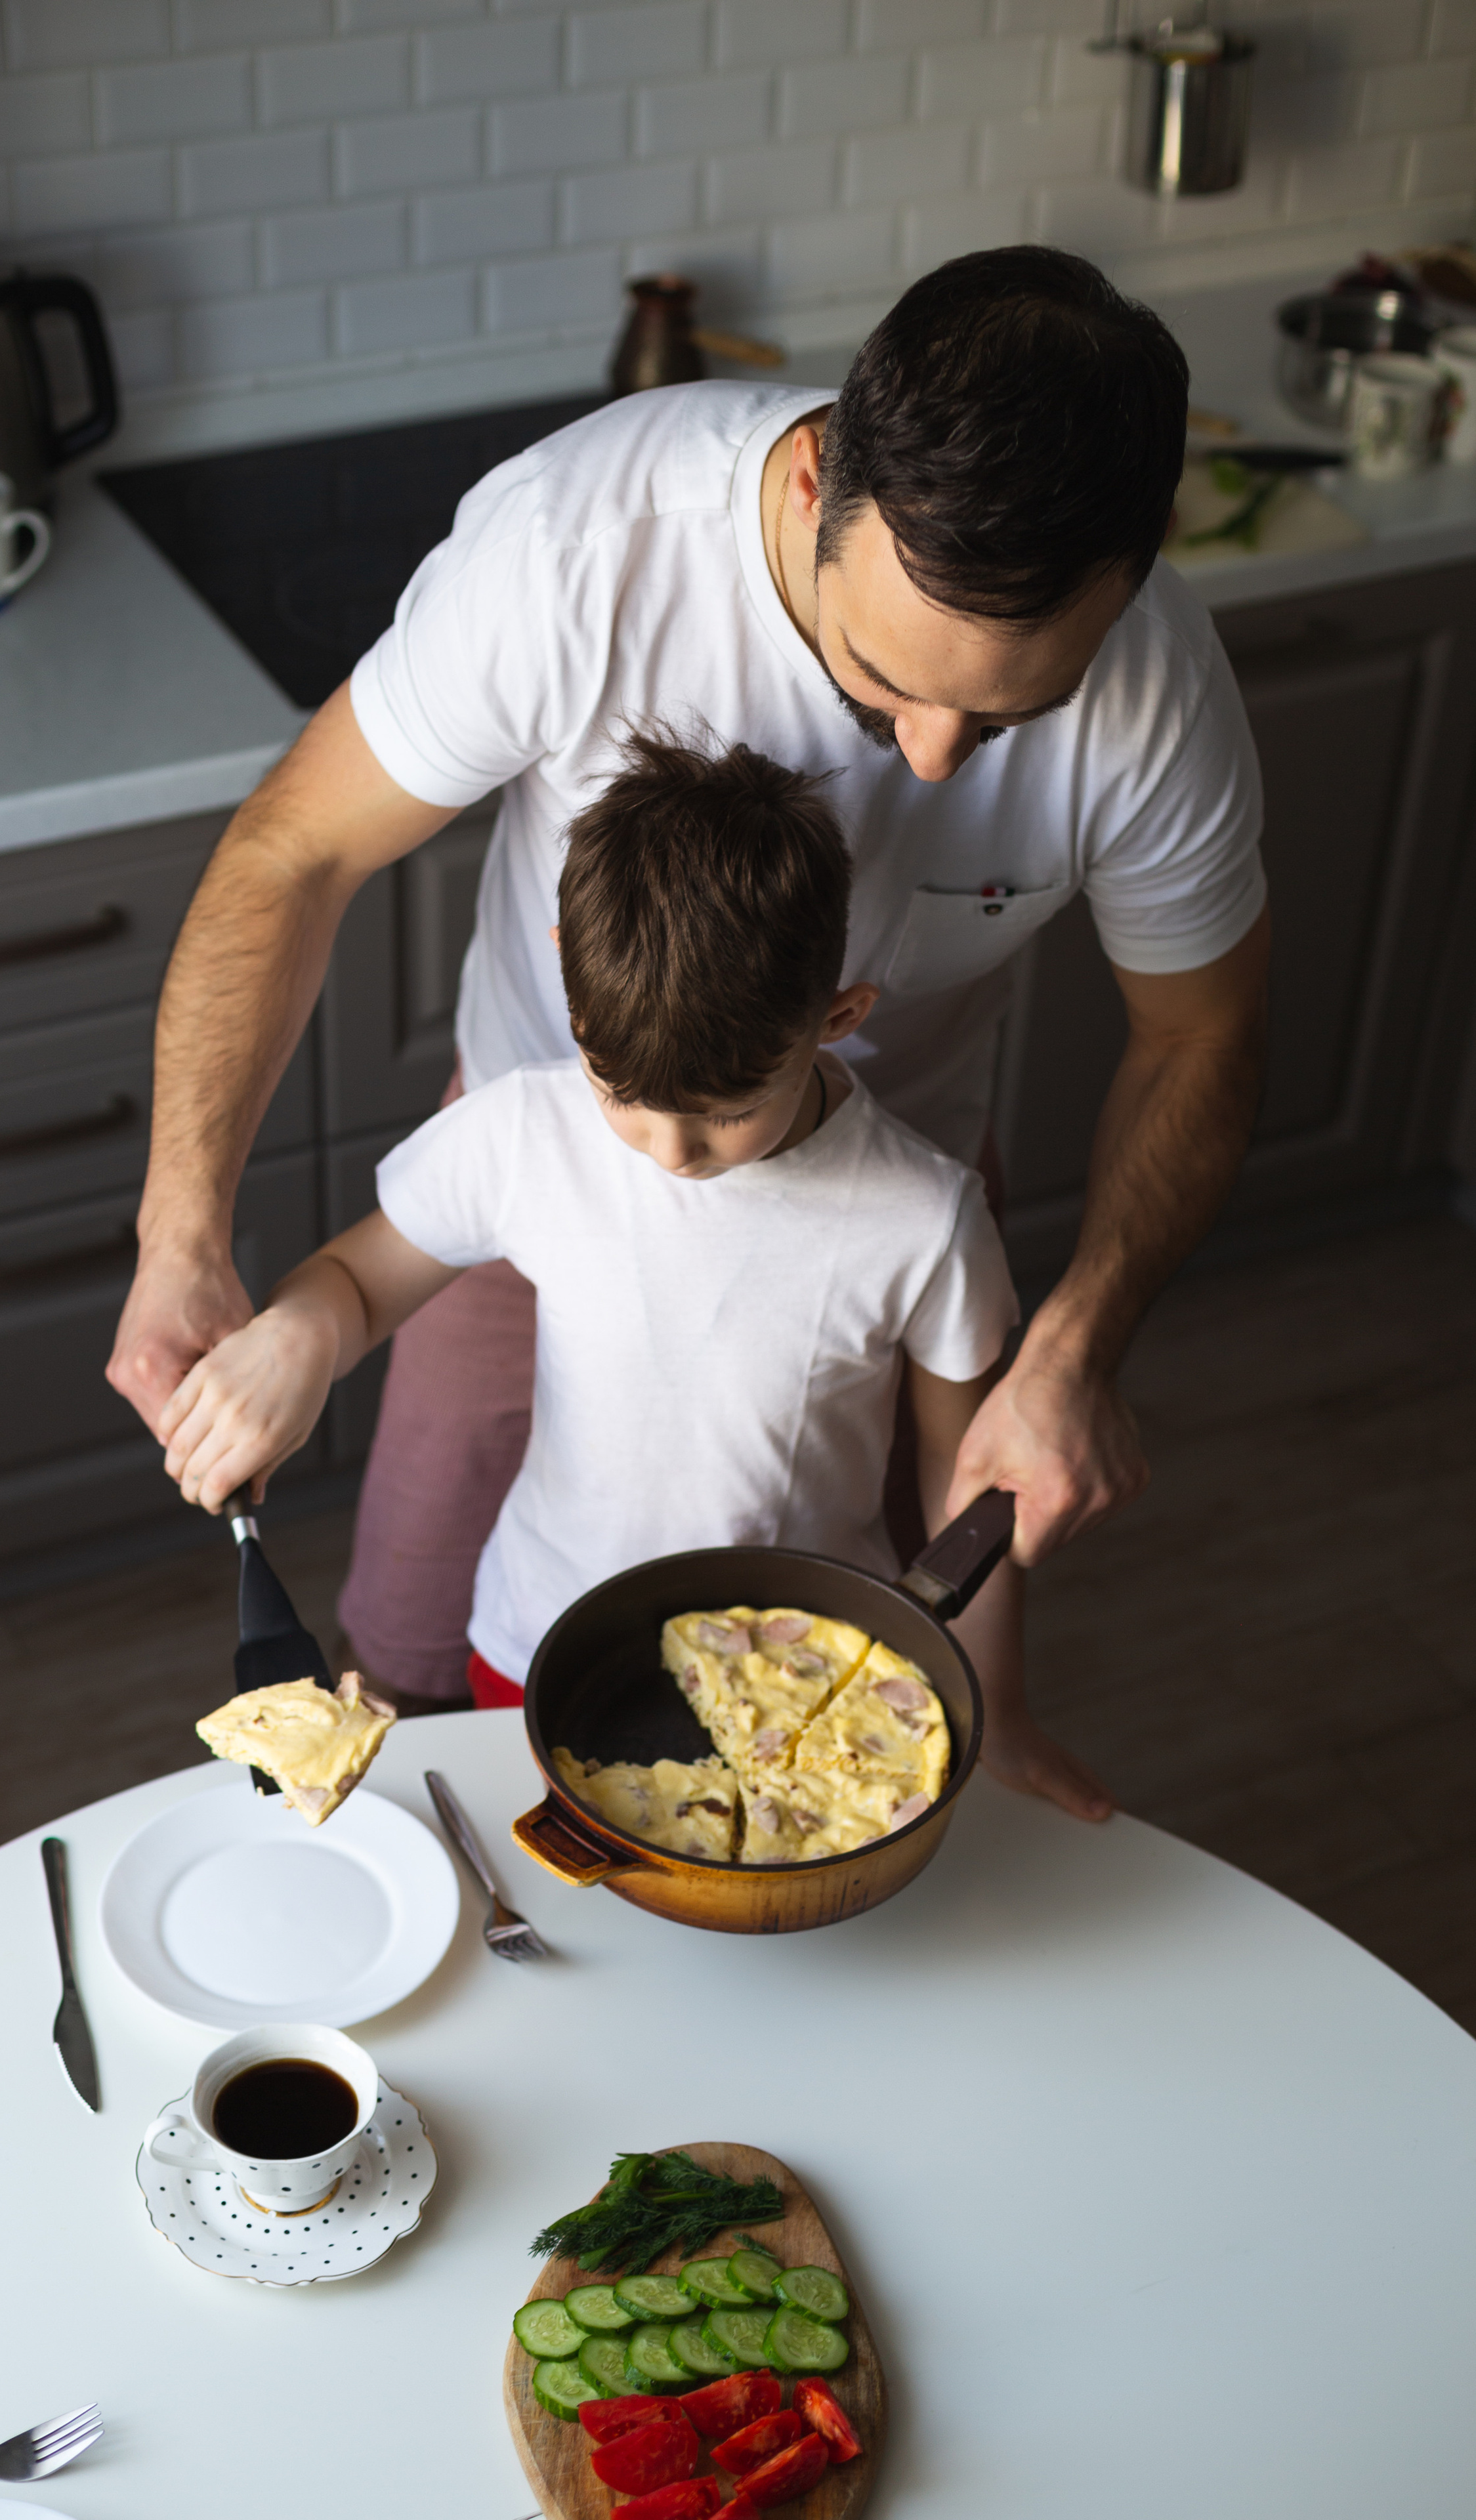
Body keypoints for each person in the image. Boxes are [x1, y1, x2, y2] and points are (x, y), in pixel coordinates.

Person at [108, 245, 1268, 1726]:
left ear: (1140, 557)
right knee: (402, 1646)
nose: (921, 760)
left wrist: (1075, 1341)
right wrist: (183, 1230)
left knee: (878, 1693)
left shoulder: (1158, 696)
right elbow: (294, 854)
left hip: (891, 1186)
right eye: (876, 680)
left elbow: (1199, 1032)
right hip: (542, 1181)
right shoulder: (579, 549)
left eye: (1005, 717)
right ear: (812, 491)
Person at [158, 734, 1099, 1810]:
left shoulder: (926, 1218)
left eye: (727, 1112)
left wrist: (1002, 1711)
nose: (671, 1152)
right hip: (538, 1646)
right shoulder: (525, 1134)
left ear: (838, 1017)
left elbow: (961, 1497)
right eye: (624, 1095)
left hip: (802, 1682)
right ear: (569, 978)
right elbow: (361, 1282)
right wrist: (300, 1337)